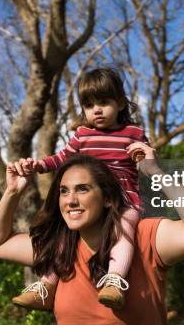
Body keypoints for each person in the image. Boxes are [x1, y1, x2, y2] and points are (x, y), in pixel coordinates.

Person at [0, 153, 184, 324]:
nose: (70, 200)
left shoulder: (145, 237)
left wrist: (155, 172)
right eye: (64, 191)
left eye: (83, 189)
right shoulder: (59, 248)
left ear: (108, 198)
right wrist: (13, 192)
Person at [12, 68, 150, 310]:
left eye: (104, 102)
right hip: (90, 202)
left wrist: (143, 158)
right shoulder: (83, 135)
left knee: (125, 228)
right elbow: (63, 157)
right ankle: (45, 286)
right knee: (64, 235)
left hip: (123, 200)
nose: (96, 110)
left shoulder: (133, 134)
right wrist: (39, 165)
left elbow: (147, 163)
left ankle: (114, 281)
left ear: (119, 103)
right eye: (89, 105)